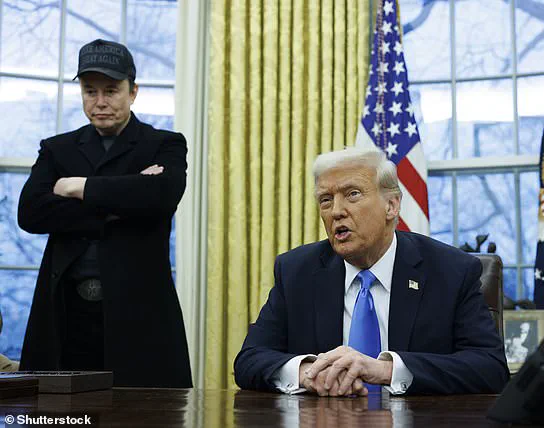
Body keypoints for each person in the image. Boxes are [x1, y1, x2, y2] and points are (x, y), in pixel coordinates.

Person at [234, 147, 509, 396]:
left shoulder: (451, 271)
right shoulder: (297, 272)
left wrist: (386, 370)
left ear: (392, 205)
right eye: (326, 200)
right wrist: (308, 372)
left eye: (352, 194)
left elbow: (490, 367)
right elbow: (249, 360)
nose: (336, 211)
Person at [17, 39, 192, 388]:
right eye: (90, 91)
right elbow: (31, 212)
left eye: (111, 91)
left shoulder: (164, 143)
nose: (100, 102)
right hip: (66, 312)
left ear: (133, 92)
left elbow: (161, 195)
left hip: (139, 312)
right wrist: (120, 203)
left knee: (144, 410)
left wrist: (77, 186)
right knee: (57, 409)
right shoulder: (57, 148)